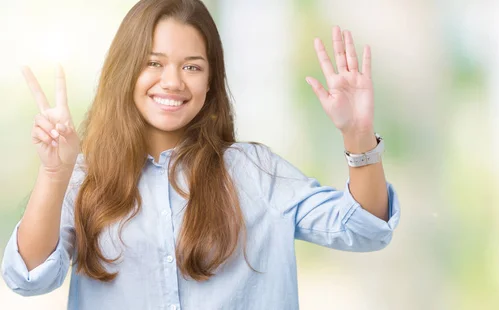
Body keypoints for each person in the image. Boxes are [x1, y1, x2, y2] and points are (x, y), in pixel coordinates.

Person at [1, 0, 400, 309]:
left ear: (211, 82)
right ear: (126, 72)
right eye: (153, 63)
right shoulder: (85, 177)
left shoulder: (255, 173)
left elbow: (364, 229)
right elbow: (28, 278)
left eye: (192, 67)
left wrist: (358, 133)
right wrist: (55, 174)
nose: (172, 82)